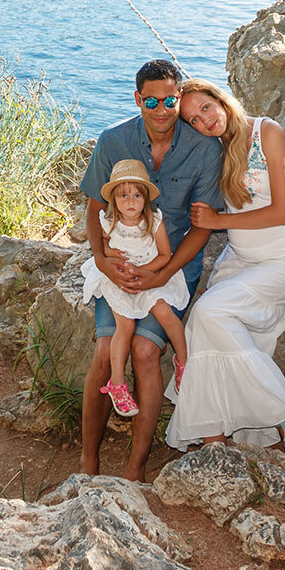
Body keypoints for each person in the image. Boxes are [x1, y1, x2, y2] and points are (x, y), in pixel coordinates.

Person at [77, 58, 226, 482]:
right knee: (106, 352)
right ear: (138, 98)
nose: (162, 110)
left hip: (172, 266)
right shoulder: (113, 141)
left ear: (179, 97)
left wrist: (162, 274)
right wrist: (103, 260)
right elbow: (93, 210)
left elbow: (202, 227)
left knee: (145, 351)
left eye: (170, 100)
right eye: (152, 101)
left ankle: (135, 468)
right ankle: (88, 463)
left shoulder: (204, 149)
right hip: (119, 268)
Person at [165, 77, 285, 460]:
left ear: (220, 99)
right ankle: (214, 435)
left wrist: (217, 222)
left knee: (208, 311)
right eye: (193, 120)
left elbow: (281, 211)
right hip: (242, 259)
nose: (205, 121)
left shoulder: (266, 132)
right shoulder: (212, 151)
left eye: (206, 108)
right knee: (204, 323)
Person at [80, 159, 190, 416]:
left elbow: (165, 255)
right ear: (114, 200)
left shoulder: (154, 222)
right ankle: (117, 382)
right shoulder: (108, 223)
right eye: (123, 195)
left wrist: (145, 273)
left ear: (146, 199)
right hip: (118, 280)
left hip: (148, 274)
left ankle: (183, 361)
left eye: (137, 195)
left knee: (165, 313)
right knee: (125, 325)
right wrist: (110, 255)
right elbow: (104, 247)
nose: (130, 201)